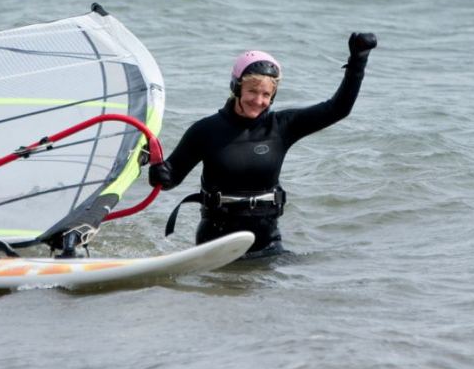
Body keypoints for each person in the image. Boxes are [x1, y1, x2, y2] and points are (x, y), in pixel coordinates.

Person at [149, 32, 377, 258]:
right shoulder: (206, 130)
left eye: (266, 94)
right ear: (236, 87)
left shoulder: (282, 127)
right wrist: (158, 171)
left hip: (268, 245)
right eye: (252, 91)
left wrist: (359, 60)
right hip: (215, 246)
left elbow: (338, 109)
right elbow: (170, 178)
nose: (259, 101)